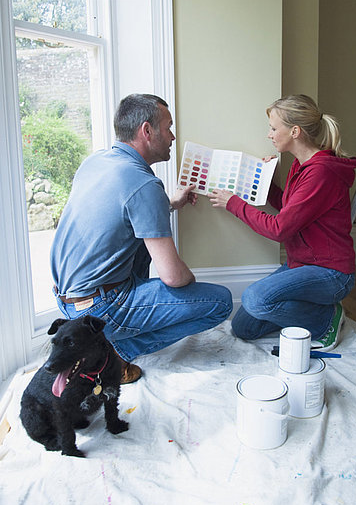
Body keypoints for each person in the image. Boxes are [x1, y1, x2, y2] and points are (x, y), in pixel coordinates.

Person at [51, 94, 232, 383]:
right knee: (220, 302)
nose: (173, 137)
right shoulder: (145, 184)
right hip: (101, 307)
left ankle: (111, 333)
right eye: (168, 127)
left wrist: (168, 204)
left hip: (68, 302)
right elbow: (174, 278)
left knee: (140, 245)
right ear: (147, 131)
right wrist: (189, 287)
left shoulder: (96, 161)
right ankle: (117, 352)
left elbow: (118, 217)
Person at [209, 94, 356, 351]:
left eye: (273, 127)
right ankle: (310, 310)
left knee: (255, 299)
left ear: (294, 131)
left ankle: (325, 320)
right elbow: (291, 210)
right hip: (301, 264)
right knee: (244, 326)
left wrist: (234, 203)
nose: (269, 134)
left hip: (331, 273)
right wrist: (266, 183)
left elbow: (279, 228)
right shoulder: (301, 166)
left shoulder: (321, 172)